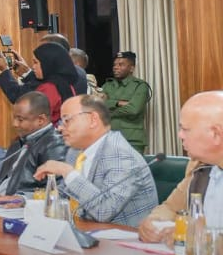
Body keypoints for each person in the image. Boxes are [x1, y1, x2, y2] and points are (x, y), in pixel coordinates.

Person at [33, 95, 157, 227]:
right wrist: (24, 200)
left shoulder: (121, 154)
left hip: (123, 237)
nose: (60, 128)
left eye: (67, 120)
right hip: (84, 230)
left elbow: (104, 211)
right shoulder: (75, 151)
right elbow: (64, 195)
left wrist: (67, 171)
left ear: (93, 119)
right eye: (60, 122)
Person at [138, 91, 223, 243]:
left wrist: (197, 238)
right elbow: (170, 208)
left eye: (185, 129)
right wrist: (153, 223)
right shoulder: (199, 167)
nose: (180, 135)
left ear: (216, 134)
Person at [0, 34, 88, 102]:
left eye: (43, 50)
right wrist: (27, 72)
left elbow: (20, 97)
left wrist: (4, 70)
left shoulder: (52, 83)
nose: (39, 52)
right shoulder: (76, 72)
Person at [0, 43, 75, 123]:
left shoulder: (49, 88)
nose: (33, 66)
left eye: (36, 62)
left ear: (47, 64)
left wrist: (4, 70)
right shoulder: (65, 83)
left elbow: (32, 118)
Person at [102, 51, 151, 153]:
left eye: (121, 65)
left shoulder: (140, 86)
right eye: (114, 65)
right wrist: (117, 103)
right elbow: (99, 106)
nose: (115, 67)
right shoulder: (107, 85)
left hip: (132, 140)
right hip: (108, 138)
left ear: (131, 68)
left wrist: (109, 111)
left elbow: (134, 109)